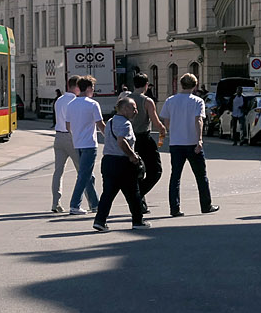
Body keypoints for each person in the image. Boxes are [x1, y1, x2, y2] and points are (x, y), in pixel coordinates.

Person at [159, 72, 219, 217]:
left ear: (181, 84)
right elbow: (198, 120)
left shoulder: (170, 100)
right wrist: (199, 140)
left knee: (175, 176)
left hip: (176, 143)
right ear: (195, 85)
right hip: (192, 143)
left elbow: (166, 120)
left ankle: (175, 208)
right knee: (201, 176)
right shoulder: (197, 101)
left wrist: (173, 130)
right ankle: (206, 205)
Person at [92, 96, 150, 232]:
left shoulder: (111, 121)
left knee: (108, 193)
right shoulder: (125, 123)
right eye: (133, 108)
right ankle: (138, 221)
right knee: (133, 193)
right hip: (122, 163)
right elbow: (121, 141)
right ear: (124, 109)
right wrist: (132, 156)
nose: (136, 111)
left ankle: (100, 221)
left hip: (109, 161)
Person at [50, 76, 96, 213]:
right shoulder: (74, 101)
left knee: (58, 172)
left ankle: (56, 203)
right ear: (76, 87)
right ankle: (92, 203)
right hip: (71, 137)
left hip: (58, 136)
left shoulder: (59, 100)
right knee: (84, 171)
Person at [65, 76, 105, 215]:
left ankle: (95, 204)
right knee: (83, 175)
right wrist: (110, 137)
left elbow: (68, 125)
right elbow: (100, 125)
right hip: (89, 143)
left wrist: (76, 134)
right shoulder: (93, 104)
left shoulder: (71, 104)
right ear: (88, 88)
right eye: (92, 88)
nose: (93, 91)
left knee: (87, 175)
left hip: (77, 143)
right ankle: (75, 205)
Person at [129, 72, 166, 213]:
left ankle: (140, 204)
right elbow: (155, 122)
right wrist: (162, 129)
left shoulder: (125, 99)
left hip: (129, 139)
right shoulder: (147, 101)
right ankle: (137, 197)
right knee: (155, 171)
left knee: (136, 172)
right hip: (144, 138)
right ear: (146, 85)